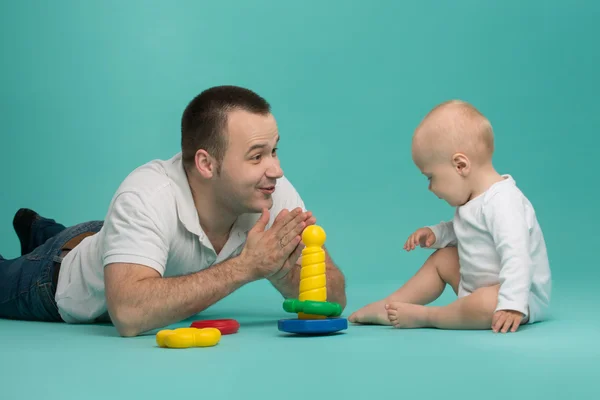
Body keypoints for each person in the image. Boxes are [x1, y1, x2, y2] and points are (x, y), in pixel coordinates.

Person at [0, 85, 347, 336]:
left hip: (116, 238)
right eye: (257, 156)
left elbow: (335, 299)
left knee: (104, 235)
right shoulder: (145, 196)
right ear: (206, 163)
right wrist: (248, 266)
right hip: (53, 279)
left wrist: (287, 274)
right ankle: (44, 238)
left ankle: (39, 228)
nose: (276, 169)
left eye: (274, 150)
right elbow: (129, 314)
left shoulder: (268, 191)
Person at [348, 100, 551, 333]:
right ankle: (391, 304)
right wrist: (437, 234)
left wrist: (512, 305)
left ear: (460, 165)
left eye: (430, 177)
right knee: (443, 258)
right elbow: (464, 230)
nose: (430, 188)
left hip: (517, 296)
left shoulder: (504, 201)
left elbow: (517, 257)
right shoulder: (473, 202)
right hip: (474, 290)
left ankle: (428, 316)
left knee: (487, 303)